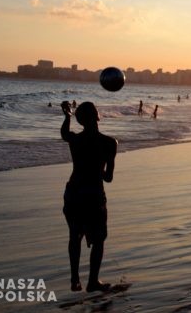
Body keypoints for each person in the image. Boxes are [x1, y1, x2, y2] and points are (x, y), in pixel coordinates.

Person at [60, 101, 117, 293]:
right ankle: (93, 281)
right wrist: (96, 169)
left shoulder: (75, 141)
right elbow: (108, 178)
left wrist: (67, 116)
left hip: (74, 192)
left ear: (80, 121)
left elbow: (64, 134)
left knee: (74, 236)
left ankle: (75, 279)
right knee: (99, 240)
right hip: (94, 195)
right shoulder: (110, 143)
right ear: (98, 116)